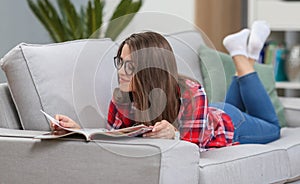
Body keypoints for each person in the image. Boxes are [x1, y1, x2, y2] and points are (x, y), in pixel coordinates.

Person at [51, 21, 280, 150]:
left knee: (273, 127)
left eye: (129, 66)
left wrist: (175, 135)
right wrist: (77, 130)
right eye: (120, 62)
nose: (120, 71)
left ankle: (241, 57)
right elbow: (115, 140)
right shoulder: (121, 98)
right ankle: (248, 52)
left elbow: (194, 147)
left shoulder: (191, 92)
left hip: (228, 123)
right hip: (207, 114)